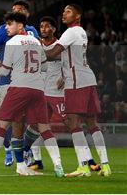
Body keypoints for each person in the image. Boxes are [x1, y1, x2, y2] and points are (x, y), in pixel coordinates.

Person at [0, 12, 65, 177]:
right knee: (45, 129)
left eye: (10, 24)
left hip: (18, 88)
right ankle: (58, 166)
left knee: (2, 126)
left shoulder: (12, 43)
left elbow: (5, 70)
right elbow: (44, 67)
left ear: (20, 25)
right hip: (38, 90)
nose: (7, 28)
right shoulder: (37, 42)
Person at [45, 4, 111, 177]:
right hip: (87, 79)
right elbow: (68, 56)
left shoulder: (70, 32)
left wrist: (33, 49)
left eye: (68, 11)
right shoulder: (81, 32)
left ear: (78, 15)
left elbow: (52, 54)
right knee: (92, 124)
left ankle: (83, 167)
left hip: (77, 83)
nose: (64, 14)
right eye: (63, 11)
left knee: (74, 124)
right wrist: (64, 76)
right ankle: (105, 165)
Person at [25, 17, 99, 171]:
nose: (44, 29)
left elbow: (74, 64)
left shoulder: (61, 45)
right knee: (35, 125)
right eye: (41, 26)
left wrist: (65, 78)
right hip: (40, 92)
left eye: (47, 26)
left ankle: (89, 160)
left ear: (53, 29)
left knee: (71, 125)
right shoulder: (36, 45)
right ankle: (36, 160)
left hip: (56, 92)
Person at [0, 0, 40, 166]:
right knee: (16, 119)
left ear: (27, 14)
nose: (17, 12)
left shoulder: (32, 32)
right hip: (8, 81)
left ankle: (25, 150)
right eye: (14, 9)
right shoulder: (3, 30)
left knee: (36, 121)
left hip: (31, 81)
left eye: (21, 9)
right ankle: (19, 157)